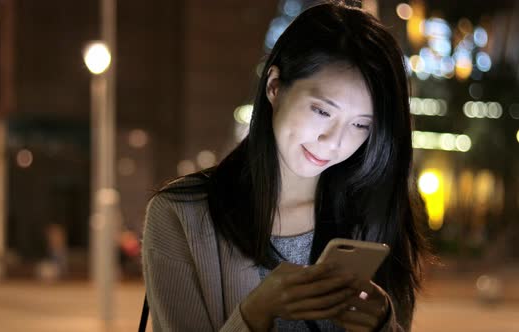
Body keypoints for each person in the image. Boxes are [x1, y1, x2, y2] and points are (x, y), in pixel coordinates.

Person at [142, 2, 429, 331]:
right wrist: (255, 312)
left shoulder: (372, 212)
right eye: (322, 112)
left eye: (361, 125)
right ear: (275, 86)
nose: (334, 142)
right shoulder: (180, 214)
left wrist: (383, 325)